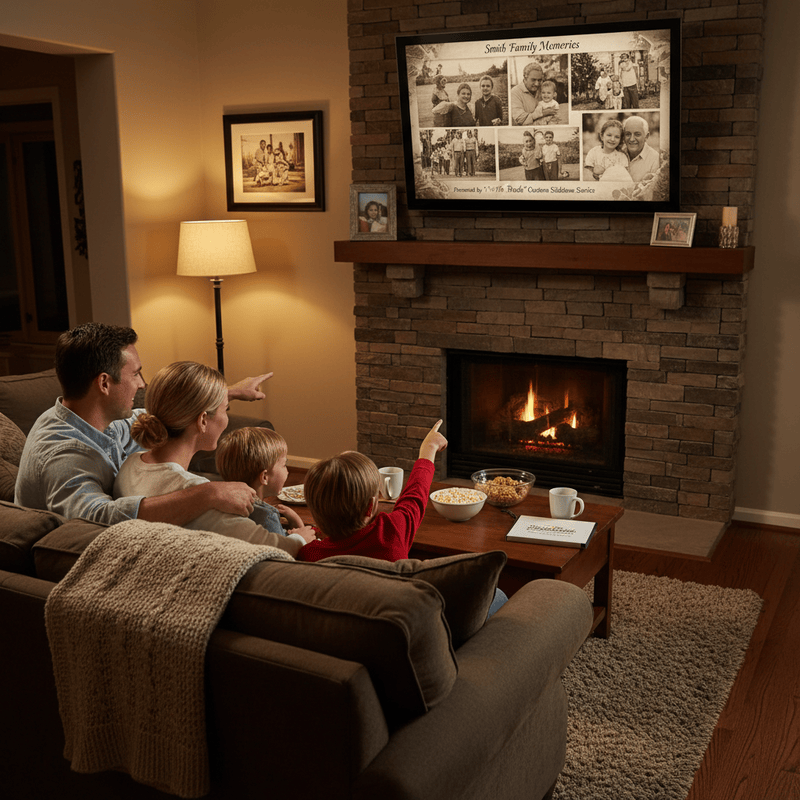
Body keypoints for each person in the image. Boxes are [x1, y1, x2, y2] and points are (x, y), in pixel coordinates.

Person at [15, 323, 266, 525]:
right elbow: (97, 518)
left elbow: (166, 416)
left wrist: (224, 395)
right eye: (135, 374)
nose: (142, 384)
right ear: (104, 383)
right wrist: (207, 494)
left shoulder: (96, 420)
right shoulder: (65, 455)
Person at [113, 361, 314, 555]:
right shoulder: (202, 497)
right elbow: (276, 548)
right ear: (202, 420)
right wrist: (301, 538)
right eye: (225, 409)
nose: (226, 418)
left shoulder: (129, 465)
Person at [298, 419, 447, 562]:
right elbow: (415, 495)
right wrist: (429, 448)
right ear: (370, 506)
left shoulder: (309, 554)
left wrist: (296, 538)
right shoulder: (391, 531)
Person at [215, 426, 307, 534]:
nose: (287, 471)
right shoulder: (266, 516)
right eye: (284, 465)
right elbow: (282, 548)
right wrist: (300, 528)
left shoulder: (222, 505)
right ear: (264, 477)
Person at [623, 115, 660, 184]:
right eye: (628, 134)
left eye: (637, 134)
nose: (631, 139)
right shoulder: (617, 153)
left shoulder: (655, 160)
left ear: (646, 136)